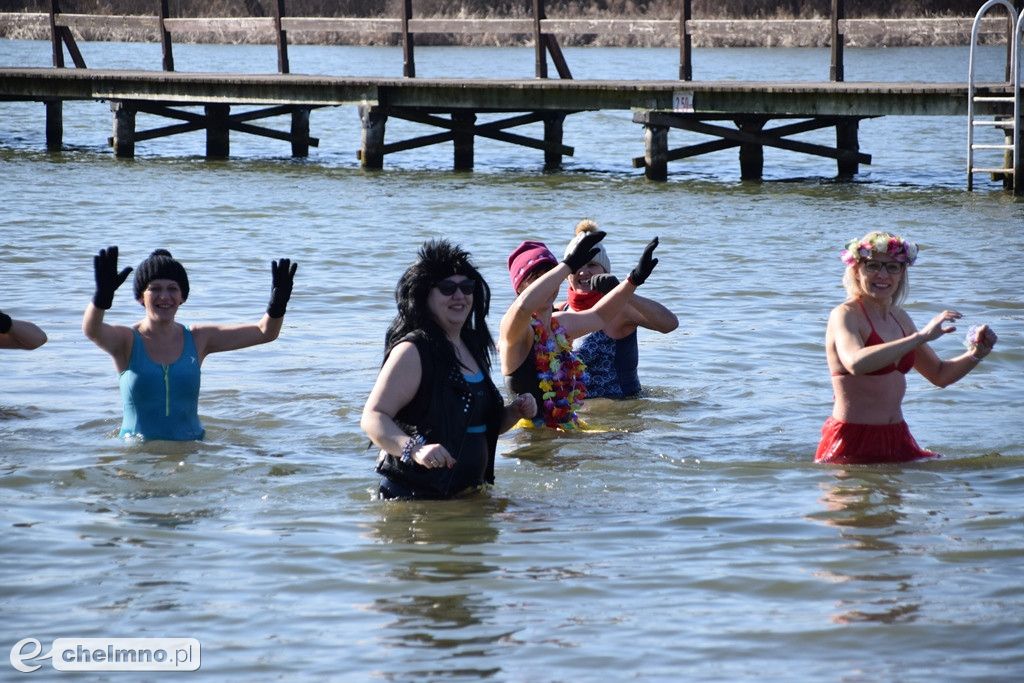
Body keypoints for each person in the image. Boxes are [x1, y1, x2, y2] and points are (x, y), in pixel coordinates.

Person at [361, 239, 537, 500]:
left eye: (467, 287)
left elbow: (473, 425)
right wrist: (415, 449)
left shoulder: (471, 346)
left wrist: (513, 412)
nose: (459, 296)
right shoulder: (413, 350)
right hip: (415, 500)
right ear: (424, 295)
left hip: (467, 496)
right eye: (447, 288)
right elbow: (372, 418)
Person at [816, 231, 998, 465]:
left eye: (892, 267)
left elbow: (940, 375)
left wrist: (975, 354)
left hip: (897, 438)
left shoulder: (900, 318)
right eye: (873, 265)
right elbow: (856, 362)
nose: (882, 275)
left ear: (902, 273)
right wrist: (920, 337)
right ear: (856, 269)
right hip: (852, 439)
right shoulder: (845, 315)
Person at [82, 246, 297, 441]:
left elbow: (264, 332)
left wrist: (277, 305)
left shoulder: (198, 338)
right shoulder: (126, 340)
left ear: (183, 296)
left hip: (191, 449)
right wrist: (101, 299)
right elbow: (92, 330)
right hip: (137, 452)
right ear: (141, 297)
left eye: (172, 289)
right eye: (155, 289)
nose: (164, 296)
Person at [500, 230, 661, 429]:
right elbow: (523, 307)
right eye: (537, 280)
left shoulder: (559, 324)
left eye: (550, 278)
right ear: (520, 289)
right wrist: (567, 266)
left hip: (566, 429)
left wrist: (632, 281)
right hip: (531, 437)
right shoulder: (514, 330)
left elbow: (600, 316)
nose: (548, 286)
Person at [558, 219, 678, 398]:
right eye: (577, 266)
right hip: (577, 413)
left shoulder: (621, 310)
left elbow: (669, 324)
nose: (583, 272)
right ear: (567, 275)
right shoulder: (560, 310)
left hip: (621, 410)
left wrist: (622, 292)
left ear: (605, 270)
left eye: (592, 265)